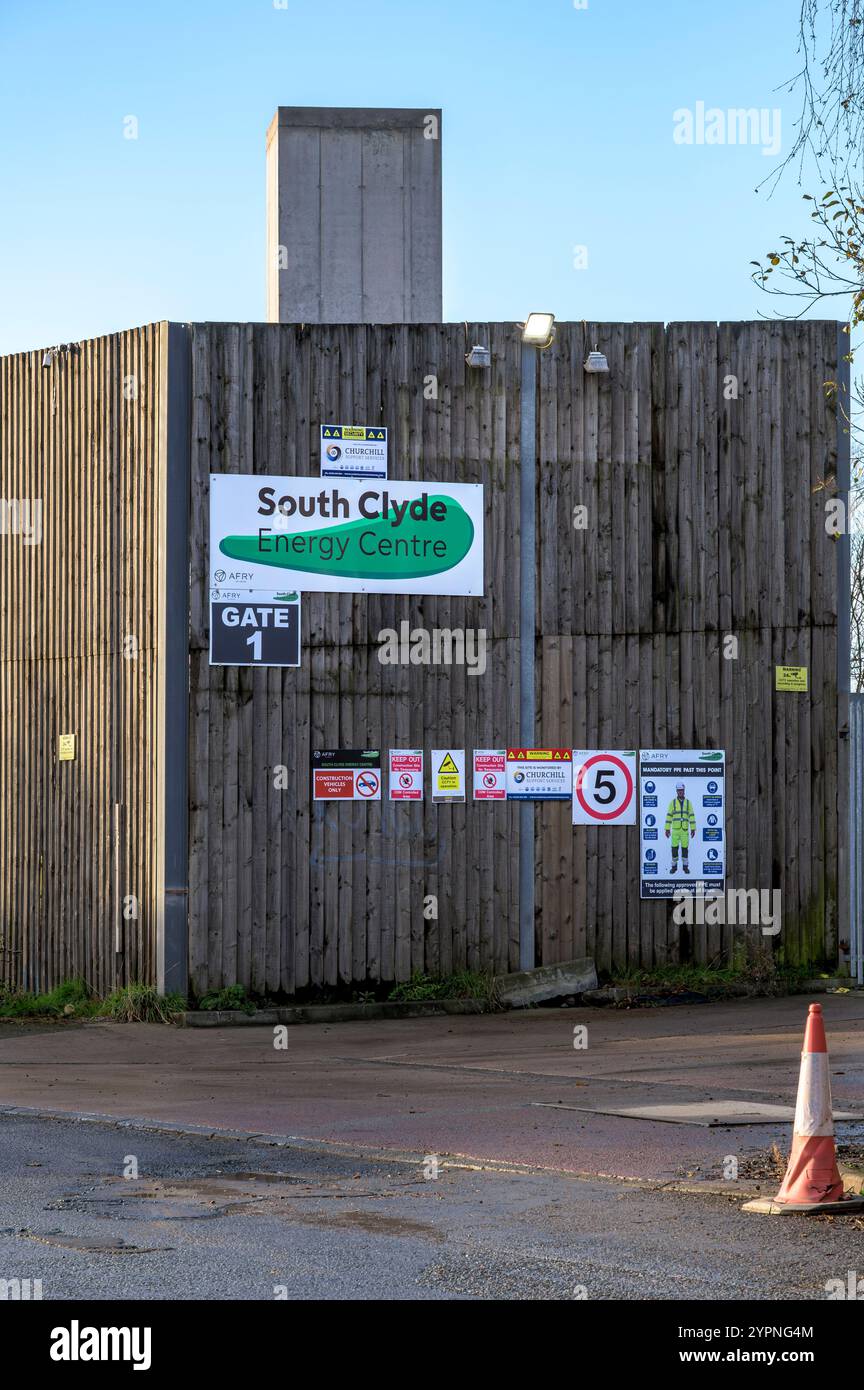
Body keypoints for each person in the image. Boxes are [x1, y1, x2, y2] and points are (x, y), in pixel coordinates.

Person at [664, 781, 696, 874]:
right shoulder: (672, 803)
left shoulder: (688, 803)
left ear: (684, 790)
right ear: (676, 791)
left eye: (682, 790)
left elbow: (692, 816)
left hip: (685, 830)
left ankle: (685, 867)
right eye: (679, 790)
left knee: (685, 849)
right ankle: (674, 867)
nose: (680, 792)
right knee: (674, 849)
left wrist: (693, 828)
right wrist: (667, 829)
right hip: (675, 830)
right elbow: (669, 816)